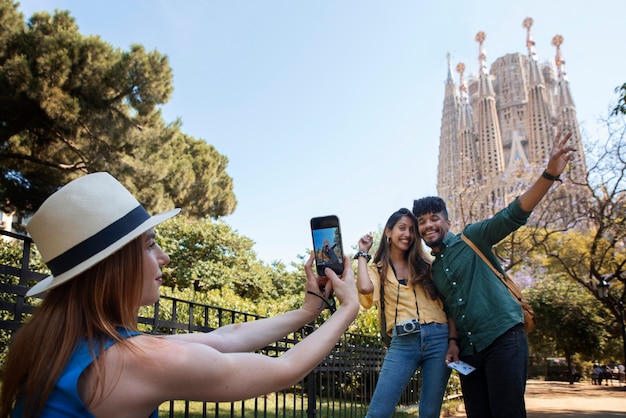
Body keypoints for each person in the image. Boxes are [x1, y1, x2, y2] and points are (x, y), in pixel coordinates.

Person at [0, 172, 359, 418]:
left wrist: (309, 310)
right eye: (150, 244)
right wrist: (347, 308)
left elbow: (224, 337)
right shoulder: (133, 360)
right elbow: (285, 369)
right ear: (112, 266)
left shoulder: (65, 342)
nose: (164, 257)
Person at [412, 132, 575, 418]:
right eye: (422, 222)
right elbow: (451, 309)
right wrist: (453, 343)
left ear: (447, 222)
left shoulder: (473, 237)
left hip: (503, 336)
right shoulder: (435, 269)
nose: (428, 225)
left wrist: (549, 174)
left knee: (507, 411)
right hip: (469, 350)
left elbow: (513, 214)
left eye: (434, 218)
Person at [355, 208, 459, 418]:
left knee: (429, 413)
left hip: (439, 339)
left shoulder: (427, 265)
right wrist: (362, 255)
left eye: (412, 230)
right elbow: (365, 289)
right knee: (378, 412)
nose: (408, 234)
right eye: (402, 228)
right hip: (403, 342)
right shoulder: (378, 268)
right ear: (388, 232)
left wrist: (453, 341)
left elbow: (450, 304)